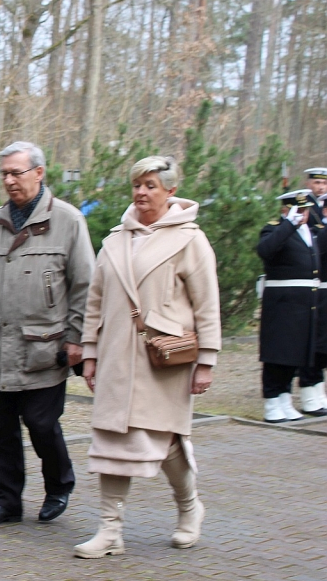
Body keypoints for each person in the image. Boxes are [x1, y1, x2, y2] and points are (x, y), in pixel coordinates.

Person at [72, 156, 221, 558]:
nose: (141, 192)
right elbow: (95, 302)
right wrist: (90, 354)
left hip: (165, 359)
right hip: (117, 356)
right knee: (111, 442)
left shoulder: (191, 240)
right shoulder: (115, 240)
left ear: (170, 191)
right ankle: (110, 531)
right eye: (137, 185)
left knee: (164, 438)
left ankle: (190, 509)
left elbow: (207, 303)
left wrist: (205, 360)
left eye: (151, 185)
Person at [0, 141, 95, 526]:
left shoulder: (68, 222)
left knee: (41, 425)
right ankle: (6, 501)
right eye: (3, 173)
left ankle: (59, 485)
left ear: (39, 173)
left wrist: (77, 338)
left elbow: (86, 285)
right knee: (0, 432)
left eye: (15, 172)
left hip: (45, 348)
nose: (8, 180)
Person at [257, 190, 326, 422]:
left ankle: (284, 399)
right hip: (282, 303)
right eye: (298, 210)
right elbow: (265, 250)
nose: (304, 214)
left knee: (294, 354)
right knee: (278, 354)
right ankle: (271, 401)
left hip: (303, 303)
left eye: (305, 210)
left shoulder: (308, 233)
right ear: (285, 210)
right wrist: (288, 224)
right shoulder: (275, 229)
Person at [294, 168, 327, 414]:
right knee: (315, 343)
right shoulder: (305, 207)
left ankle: (318, 392)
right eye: (317, 183)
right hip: (315, 284)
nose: (321, 187)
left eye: (324, 184)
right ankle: (309, 390)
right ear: (308, 183)